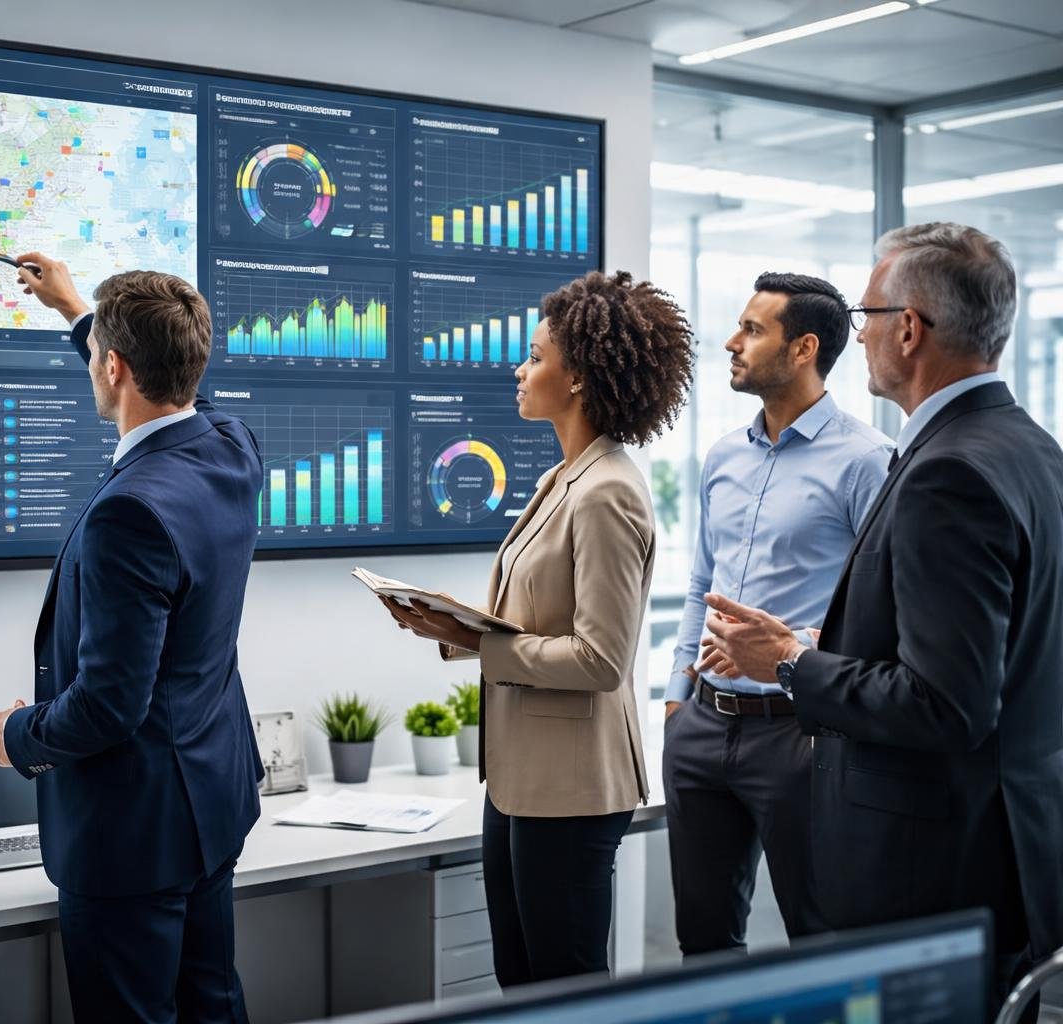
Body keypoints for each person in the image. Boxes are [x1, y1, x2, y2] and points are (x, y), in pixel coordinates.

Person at [702, 223, 1063, 1014]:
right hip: (1005, 853)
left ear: (909, 327)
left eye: (866, 313)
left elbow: (947, 703)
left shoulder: (949, 473)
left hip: (926, 871)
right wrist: (832, 645)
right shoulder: (1032, 450)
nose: (855, 334)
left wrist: (791, 665)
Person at [381, 270, 694, 986]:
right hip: (521, 781)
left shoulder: (608, 490)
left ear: (578, 376)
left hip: (573, 788)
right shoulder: (567, 477)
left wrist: (481, 644)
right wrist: (453, 625)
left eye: (534, 357)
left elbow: (601, 659)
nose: (518, 370)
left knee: (565, 986)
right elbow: (542, 618)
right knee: (521, 982)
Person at [0, 253, 264, 1023]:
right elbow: (164, 386)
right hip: (210, 807)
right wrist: (77, 309)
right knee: (211, 1006)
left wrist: (17, 734)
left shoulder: (129, 513)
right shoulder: (232, 446)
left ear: (114, 367)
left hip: (132, 834)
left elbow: (109, 705)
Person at [663, 273, 891, 957]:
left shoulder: (868, 461)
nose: (732, 343)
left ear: (804, 348)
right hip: (702, 728)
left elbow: (881, 612)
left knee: (821, 937)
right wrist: (678, 696)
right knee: (702, 941)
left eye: (753, 329)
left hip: (801, 737)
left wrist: (800, 655)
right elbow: (701, 579)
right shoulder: (723, 455)